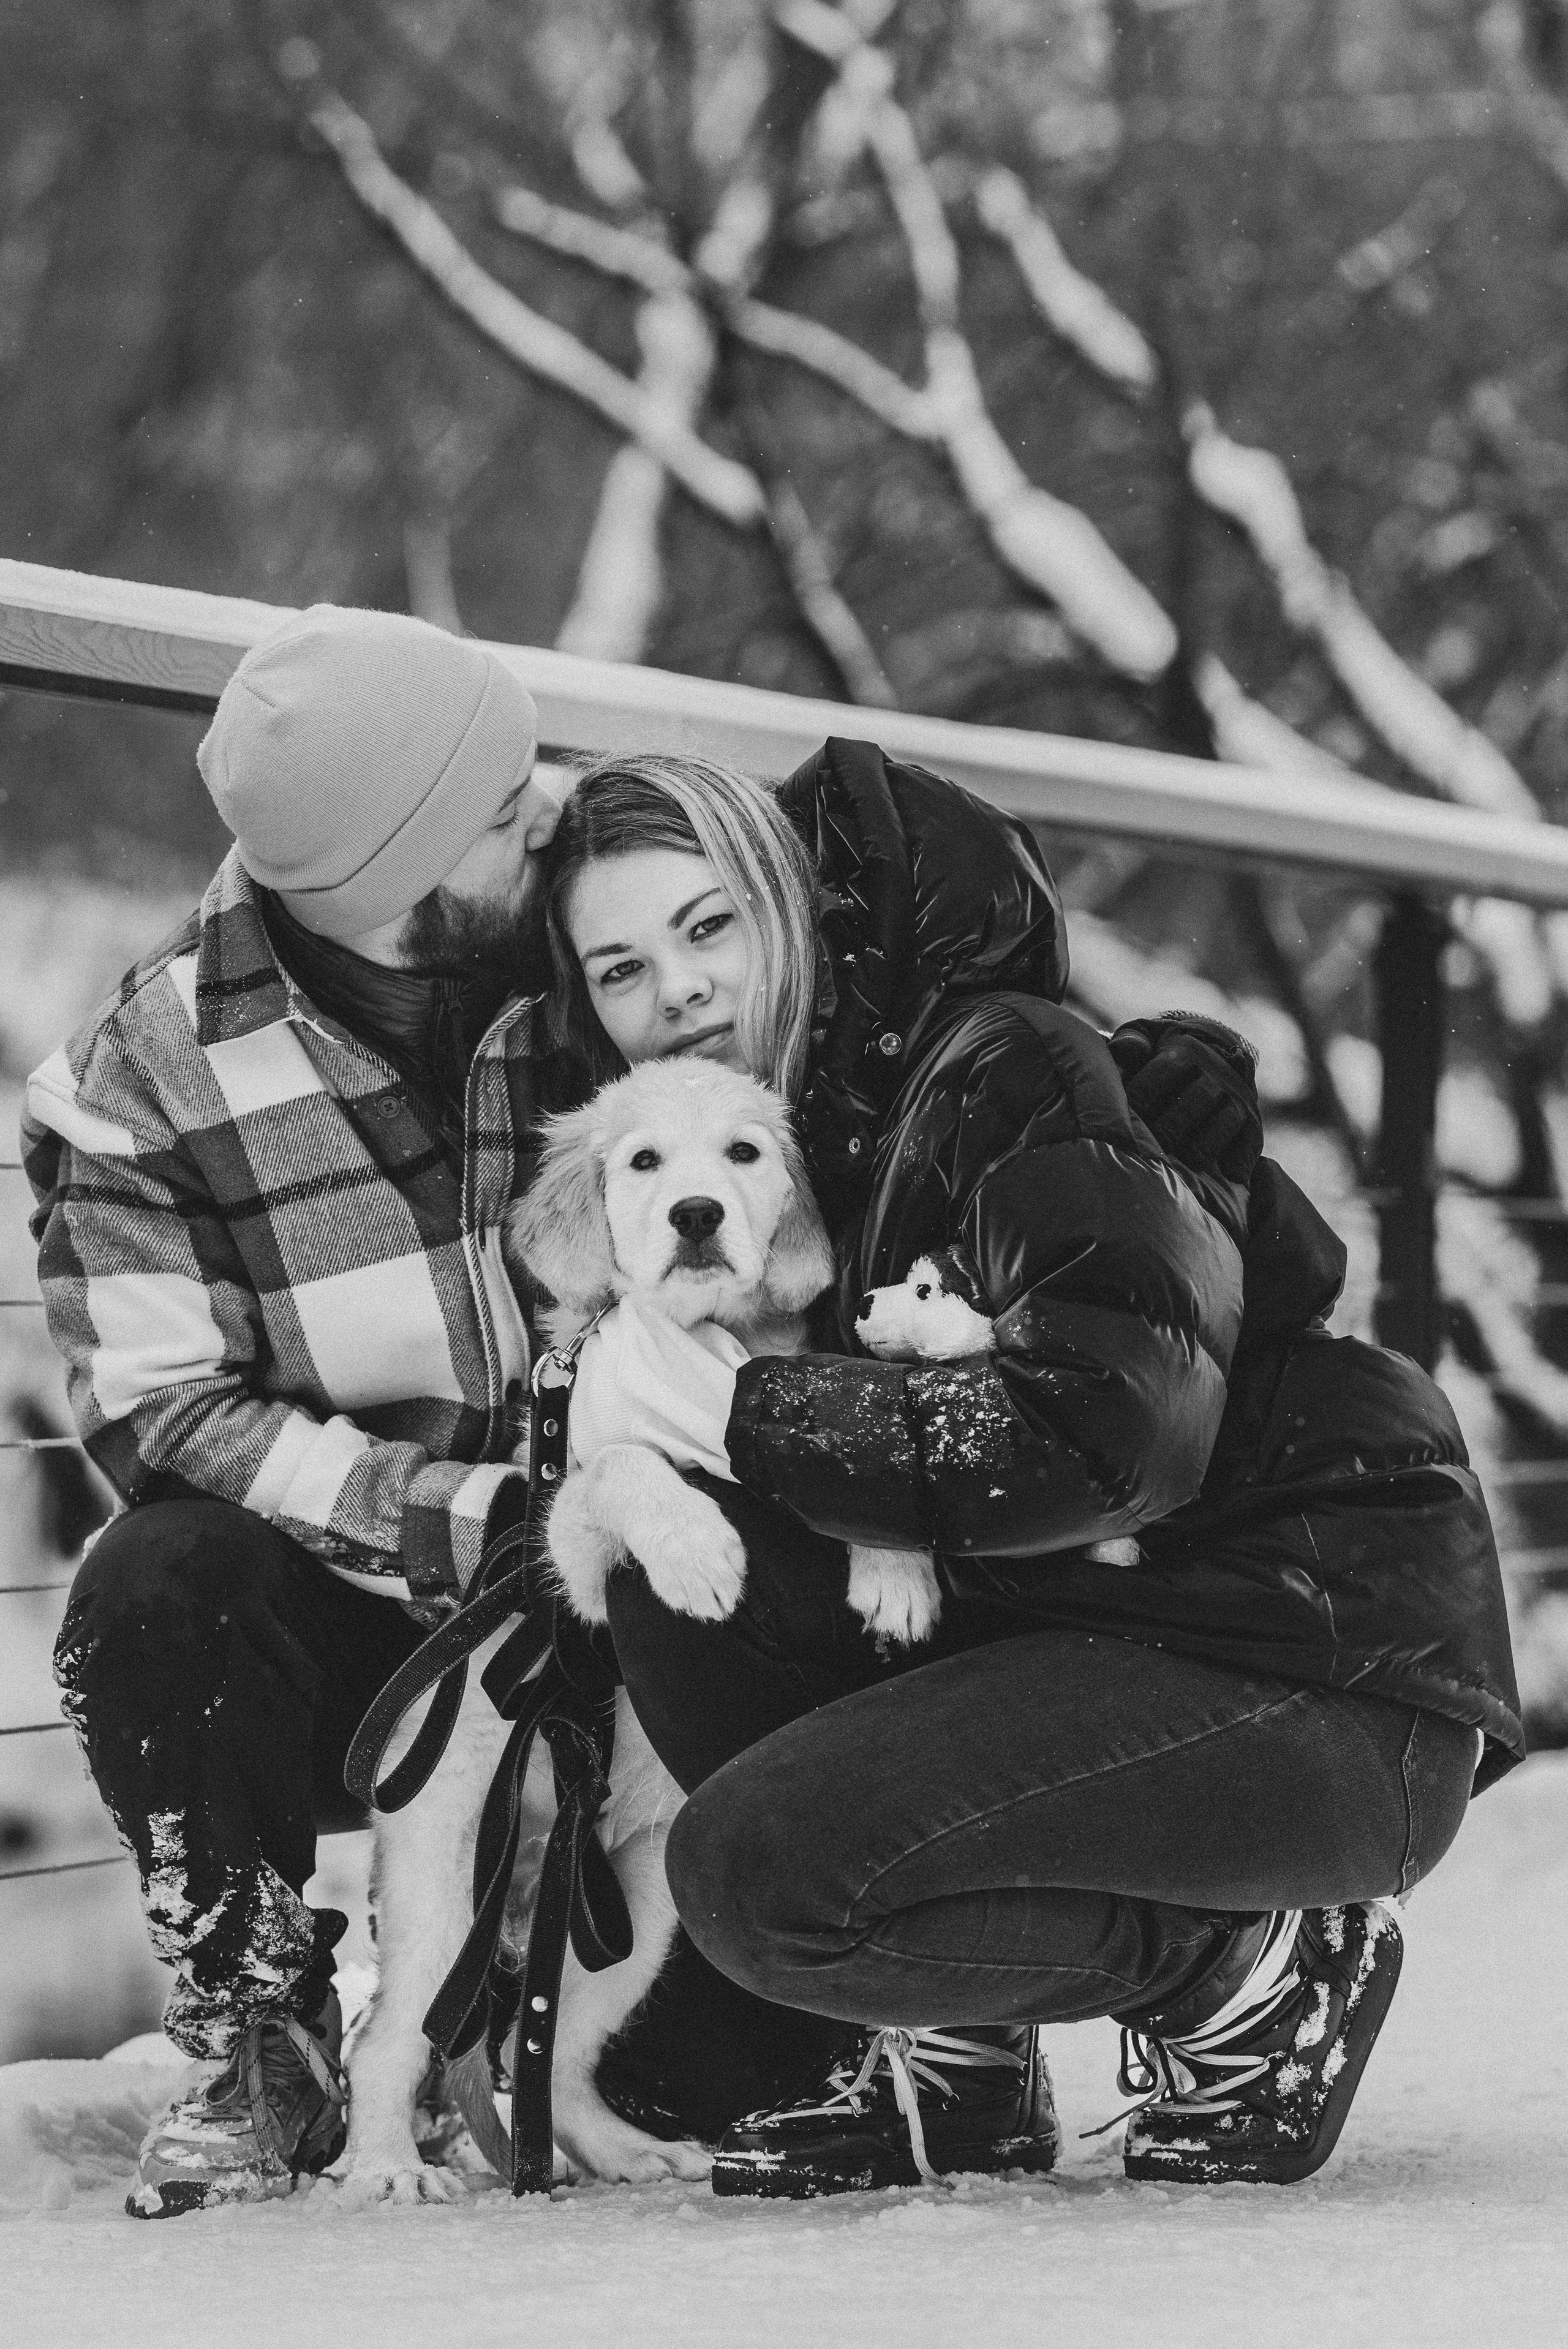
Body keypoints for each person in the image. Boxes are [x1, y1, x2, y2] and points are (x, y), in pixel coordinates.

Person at [540, 741, 1523, 2196]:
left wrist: (765, 1417)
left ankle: (1247, 1965)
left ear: (792, 905)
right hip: (1127, 1633)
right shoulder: (820, 1133)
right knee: (682, 1580)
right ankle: (959, 2054)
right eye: (618, 969)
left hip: (1304, 1670)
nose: (674, 992)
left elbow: (1103, 1437)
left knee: (757, 1876)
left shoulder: (997, 1068)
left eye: (707, 925)